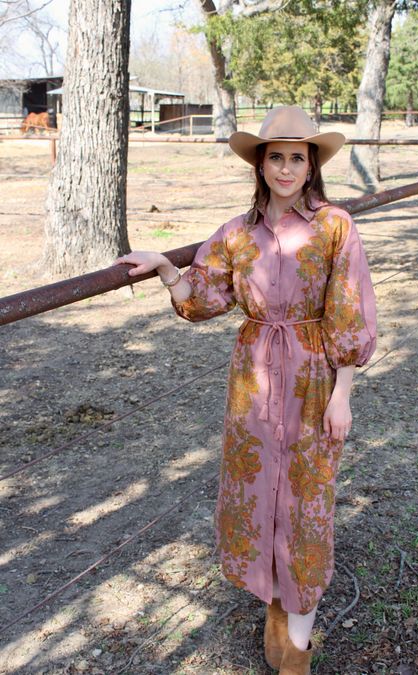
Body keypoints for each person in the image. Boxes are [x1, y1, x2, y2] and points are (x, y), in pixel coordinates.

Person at [114, 106, 377, 674]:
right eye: (275, 157)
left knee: (307, 500)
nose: (286, 169)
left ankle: (297, 650)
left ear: (312, 167)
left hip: (313, 377)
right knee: (258, 492)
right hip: (252, 379)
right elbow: (200, 298)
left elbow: (349, 311)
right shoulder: (237, 233)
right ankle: (276, 606)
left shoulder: (334, 226)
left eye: (296, 159)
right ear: (260, 165)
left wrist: (343, 393)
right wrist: (165, 266)